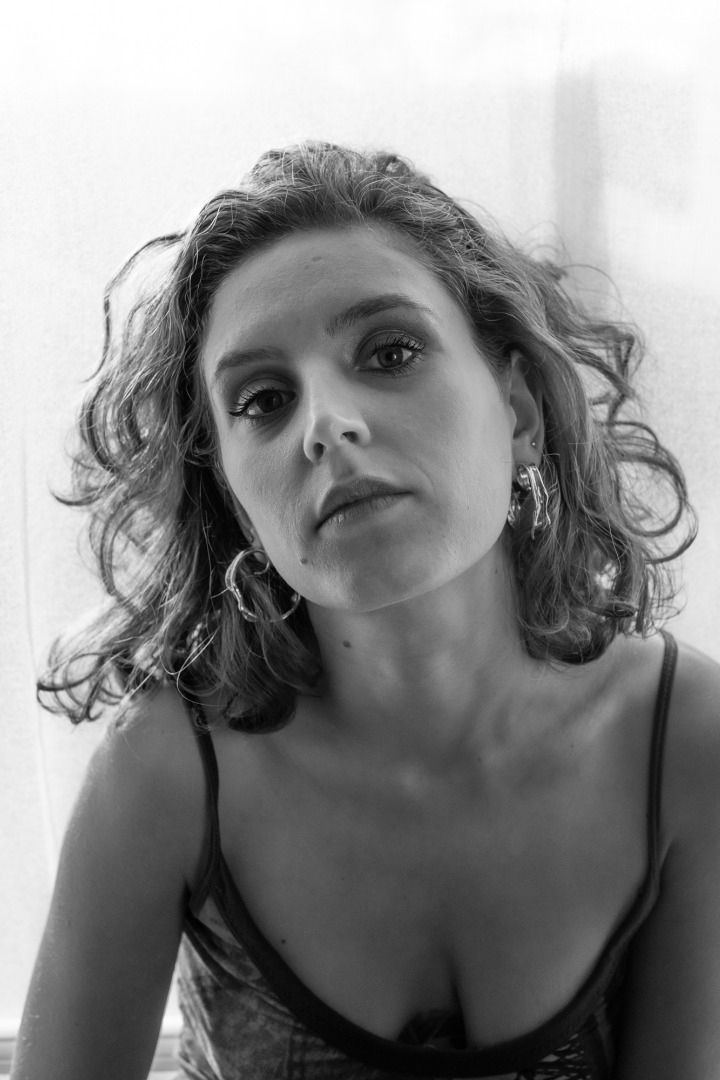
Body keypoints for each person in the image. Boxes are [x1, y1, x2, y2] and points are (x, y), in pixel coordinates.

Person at [10, 141, 720, 1080]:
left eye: (390, 353)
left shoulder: (686, 741)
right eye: (264, 399)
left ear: (518, 412)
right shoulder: (167, 774)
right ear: (232, 496)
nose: (326, 424)